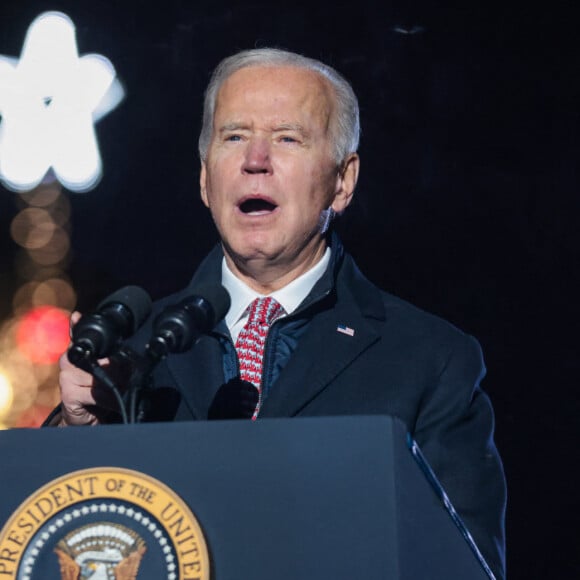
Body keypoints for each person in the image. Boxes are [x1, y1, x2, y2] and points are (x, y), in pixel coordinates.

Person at [50, 48, 506, 577]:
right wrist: (75, 426)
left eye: (288, 138)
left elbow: (464, 566)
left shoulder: (430, 360)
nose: (255, 159)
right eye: (234, 136)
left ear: (343, 181)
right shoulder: (134, 349)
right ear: (204, 178)